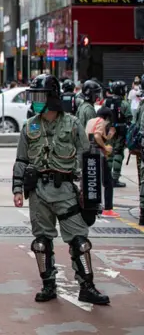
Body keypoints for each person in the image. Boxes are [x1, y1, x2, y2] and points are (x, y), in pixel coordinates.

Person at [12, 74, 109, 305]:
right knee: (41, 243)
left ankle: (87, 286)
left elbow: (87, 158)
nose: (35, 101)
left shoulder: (73, 124)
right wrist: (17, 189)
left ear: (52, 97)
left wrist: (91, 193)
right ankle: (48, 285)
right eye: (33, 96)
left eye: (39, 96)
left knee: (80, 242)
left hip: (66, 190)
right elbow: (21, 160)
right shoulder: (30, 125)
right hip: (38, 193)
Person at [86, 107, 117, 218]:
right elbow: (97, 136)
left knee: (93, 181)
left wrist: (109, 136)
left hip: (88, 155)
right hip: (98, 155)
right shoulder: (102, 122)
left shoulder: (91, 121)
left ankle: (93, 206)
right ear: (107, 117)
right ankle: (108, 209)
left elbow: (94, 135)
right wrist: (106, 147)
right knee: (108, 181)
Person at [104, 80, 131, 188]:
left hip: (109, 132)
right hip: (120, 132)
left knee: (109, 154)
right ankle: (115, 178)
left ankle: (108, 177)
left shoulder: (107, 102)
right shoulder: (124, 103)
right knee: (118, 154)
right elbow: (130, 118)